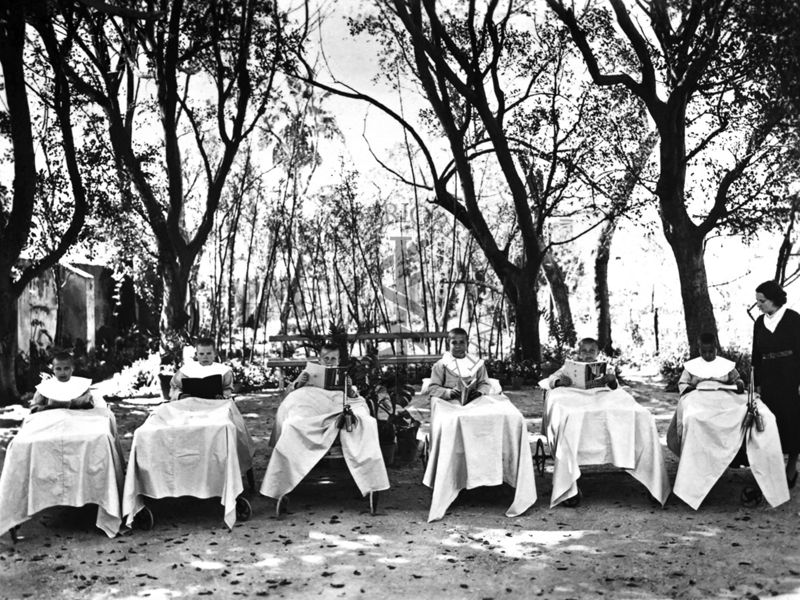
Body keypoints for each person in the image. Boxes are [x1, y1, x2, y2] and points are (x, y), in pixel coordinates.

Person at [752, 280, 800, 488]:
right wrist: (757, 383)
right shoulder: (759, 323)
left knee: (792, 420)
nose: (759, 305)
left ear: (774, 299)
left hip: (790, 375)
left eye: (762, 301)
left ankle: (792, 466)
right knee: (770, 423)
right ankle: (772, 467)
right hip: (769, 376)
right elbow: (755, 355)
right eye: (757, 302)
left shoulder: (793, 319)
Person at [428, 328, 493, 403]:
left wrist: (479, 392)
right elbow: (433, 388)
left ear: (467, 344)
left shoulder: (477, 364)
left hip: (473, 400)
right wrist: (448, 392)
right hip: (449, 401)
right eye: (454, 343)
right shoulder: (441, 364)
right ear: (448, 344)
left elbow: (484, 383)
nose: (458, 346)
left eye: (461, 342)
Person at [678, 333, 744, 395]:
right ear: (699, 350)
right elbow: (683, 383)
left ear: (716, 349)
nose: (707, 355)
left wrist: (739, 384)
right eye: (704, 352)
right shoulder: (691, 366)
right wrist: (691, 389)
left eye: (711, 351)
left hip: (722, 396)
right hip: (698, 396)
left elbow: (737, 380)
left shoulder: (726, 365)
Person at [169, 337, 233, 400]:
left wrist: (223, 396)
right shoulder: (186, 370)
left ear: (215, 354)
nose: (205, 357)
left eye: (209, 353)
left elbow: (228, 389)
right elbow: (174, 388)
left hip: (215, 405)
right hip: (191, 405)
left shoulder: (224, 370)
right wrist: (180, 395)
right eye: (201, 354)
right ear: (196, 354)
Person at [547, 337, 618, 390]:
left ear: (597, 353)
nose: (588, 354)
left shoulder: (605, 368)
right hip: (576, 394)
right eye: (584, 351)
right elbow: (552, 378)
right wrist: (559, 382)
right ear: (579, 353)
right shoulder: (571, 366)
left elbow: (614, 386)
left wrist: (612, 381)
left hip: (597, 396)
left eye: (592, 351)